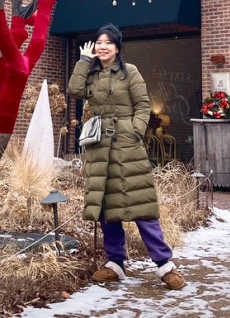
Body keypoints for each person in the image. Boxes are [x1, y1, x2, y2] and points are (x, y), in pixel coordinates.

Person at [67, 23, 186, 290]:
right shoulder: (92, 74)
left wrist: (134, 131)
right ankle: (115, 264)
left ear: (118, 47)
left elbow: (143, 105)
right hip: (100, 147)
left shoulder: (129, 72)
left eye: (108, 42)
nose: (102, 46)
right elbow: (74, 91)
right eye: (99, 42)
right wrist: (84, 61)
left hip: (127, 145)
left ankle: (165, 264)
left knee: (141, 204)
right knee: (107, 209)